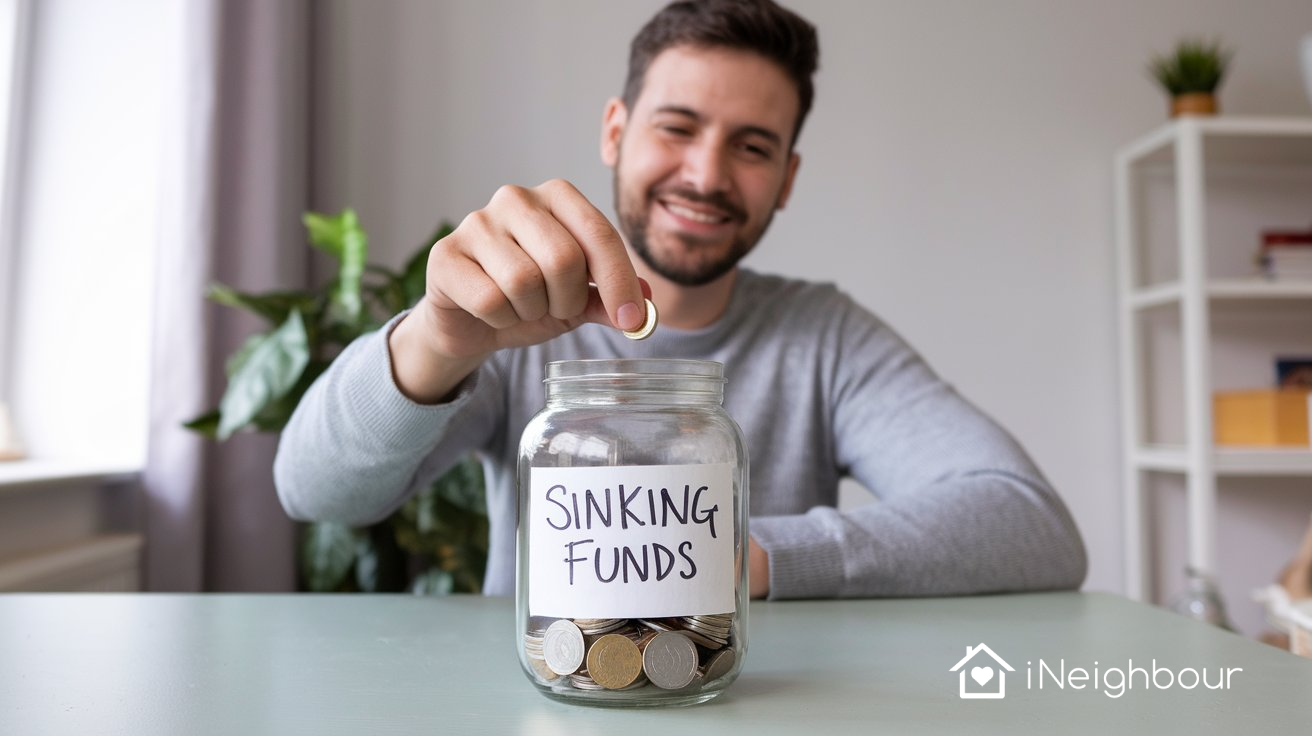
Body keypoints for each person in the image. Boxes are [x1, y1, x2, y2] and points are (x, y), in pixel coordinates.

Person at [274, 0, 1086, 599]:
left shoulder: (825, 338)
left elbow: (1029, 524)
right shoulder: (518, 323)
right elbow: (314, 493)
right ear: (615, 131)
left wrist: (736, 556)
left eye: (753, 145)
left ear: (787, 179)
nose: (705, 175)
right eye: (677, 127)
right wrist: (437, 338)